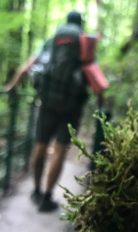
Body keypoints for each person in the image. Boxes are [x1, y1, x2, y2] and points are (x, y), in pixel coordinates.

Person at [6, 11, 108, 212]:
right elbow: (94, 76)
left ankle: (35, 189)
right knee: (60, 149)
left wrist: (12, 85)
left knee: (40, 145)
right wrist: (101, 104)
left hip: (47, 102)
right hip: (72, 105)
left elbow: (29, 65)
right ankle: (47, 196)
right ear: (81, 25)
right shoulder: (84, 43)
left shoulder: (52, 41)